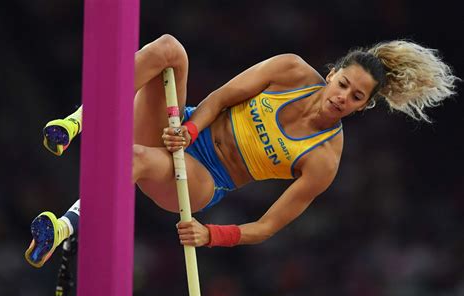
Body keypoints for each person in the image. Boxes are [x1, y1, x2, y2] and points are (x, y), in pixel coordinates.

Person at [25, 34, 458, 267]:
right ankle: (74, 123)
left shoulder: (324, 159)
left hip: (199, 182)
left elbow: (267, 227)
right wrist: (191, 128)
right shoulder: (290, 69)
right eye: (344, 84)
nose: (344, 97)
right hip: (182, 129)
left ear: (364, 107)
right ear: (332, 74)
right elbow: (221, 97)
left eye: (357, 97)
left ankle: (62, 228)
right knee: (168, 49)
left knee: (136, 158)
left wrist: (212, 235)